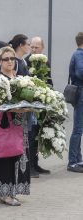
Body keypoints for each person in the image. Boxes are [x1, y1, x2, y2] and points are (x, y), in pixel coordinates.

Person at [0, 46, 31, 206]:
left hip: (19, 124)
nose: (10, 62)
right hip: (2, 124)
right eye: (6, 59)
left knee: (17, 156)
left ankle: (12, 191)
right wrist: (15, 108)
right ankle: (5, 194)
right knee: (5, 157)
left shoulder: (20, 78)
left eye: (12, 59)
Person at [24, 36, 52, 178]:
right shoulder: (26, 61)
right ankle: (29, 167)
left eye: (36, 47)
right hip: (31, 103)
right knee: (30, 134)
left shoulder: (45, 61)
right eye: (32, 47)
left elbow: (49, 80)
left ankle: (35, 164)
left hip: (43, 102)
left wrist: (50, 96)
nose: (34, 50)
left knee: (37, 135)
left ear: (42, 47)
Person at [67, 32, 83, 173]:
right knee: (78, 129)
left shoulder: (78, 54)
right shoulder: (79, 54)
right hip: (81, 93)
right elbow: (80, 72)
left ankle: (78, 158)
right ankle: (72, 162)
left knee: (79, 129)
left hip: (80, 92)